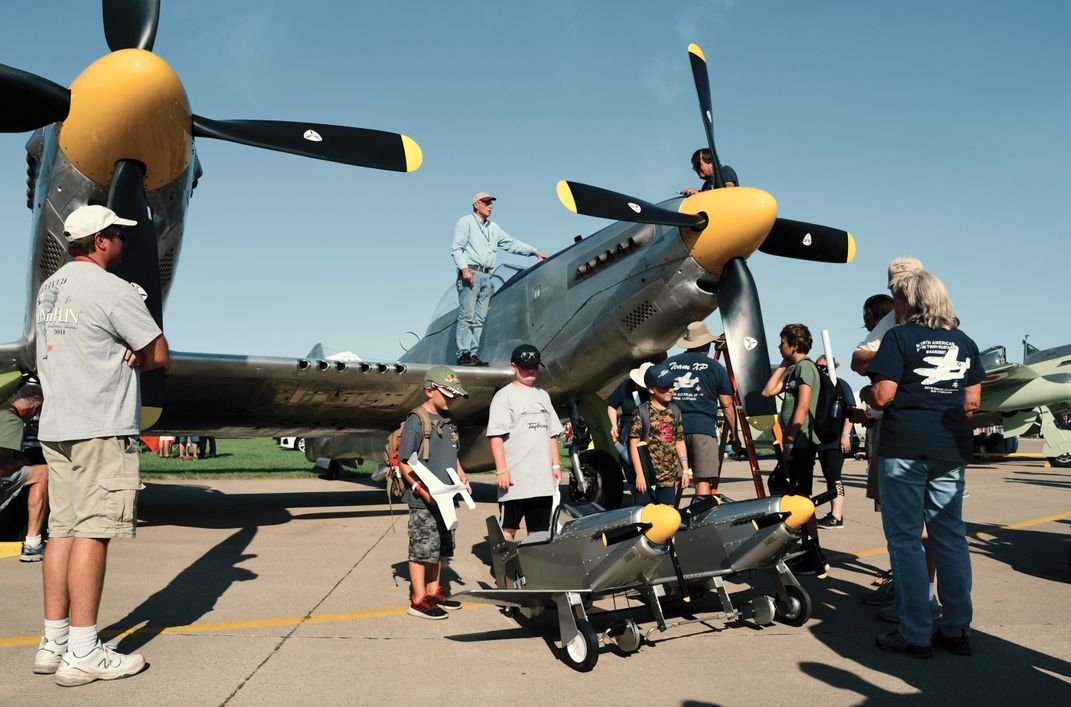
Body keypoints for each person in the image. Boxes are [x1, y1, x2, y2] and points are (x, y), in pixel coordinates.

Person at [33, 204, 169, 686]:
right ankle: (85, 650)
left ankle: (54, 640)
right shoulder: (111, 289)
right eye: (119, 235)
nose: (125, 243)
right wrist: (137, 351)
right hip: (101, 424)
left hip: (58, 425)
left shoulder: (50, 289)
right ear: (100, 241)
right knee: (94, 531)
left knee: (62, 531)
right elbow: (158, 353)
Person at [861, 270, 983, 658]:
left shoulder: (899, 337)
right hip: (949, 448)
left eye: (897, 299)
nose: (893, 305)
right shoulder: (965, 342)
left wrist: (866, 390)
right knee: (950, 537)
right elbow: (971, 403)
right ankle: (957, 628)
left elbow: (882, 396)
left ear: (911, 303)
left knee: (906, 540)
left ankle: (914, 633)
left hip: (906, 448)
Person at [398, 366, 470, 620]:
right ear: (429, 390)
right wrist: (421, 491)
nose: (452, 399)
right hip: (423, 501)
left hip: (446, 498)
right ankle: (418, 600)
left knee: (439, 548)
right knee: (421, 550)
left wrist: (462, 475)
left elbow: (453, 454)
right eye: (447, 393)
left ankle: (433, 591)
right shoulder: (416, 420)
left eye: (455, 395)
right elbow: (404, 462)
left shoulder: (449, 422)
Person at [761, 323, 828, 576]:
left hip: (800, 443)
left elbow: (802, 407)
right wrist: (782, 364)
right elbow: (768, 391)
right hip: (794, 443)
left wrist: (789, 441)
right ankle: (806, 548)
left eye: (783, 342)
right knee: (790, 492)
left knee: (800, 498)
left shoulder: (806, 368)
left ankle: (813, 553)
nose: (780, 346)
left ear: (795, 344)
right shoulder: (793, 370)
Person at [451, 192, 546, 366]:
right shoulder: (466, 222)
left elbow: (511, 243)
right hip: (471, 273)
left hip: (487, 276)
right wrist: (464, 269)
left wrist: (533, 251)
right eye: (486, 203)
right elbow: (456, 248)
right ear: (476, 205)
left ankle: (472, 354)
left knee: (480, 318)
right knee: (468, 316)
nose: (490, 206)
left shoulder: (493, 228)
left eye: (491, 203)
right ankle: (463, 353)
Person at [487, 344, 563, 540]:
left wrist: (555, 465)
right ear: (514, 366)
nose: (530, 370)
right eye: (524, 366)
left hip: (542, 481)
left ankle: (532, 569)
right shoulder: (503, 396)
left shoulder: (543, 396)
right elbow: (495, 436)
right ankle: (508, 570)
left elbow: (552, 433)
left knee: (539, 531)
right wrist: (501, 470)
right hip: (515, 480)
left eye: (534, 366)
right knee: (508, 529)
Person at [664, 321, 736, 496]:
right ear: (705, 344)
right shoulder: (715, 368)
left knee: (672, 479)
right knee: (702, 479)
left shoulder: (669, 364)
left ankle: (669, 519)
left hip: (671, 428)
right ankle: (699, 519)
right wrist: (735, 434)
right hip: (702, 429)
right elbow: (726, 405)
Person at [628, 363, 690, 505]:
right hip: (647, 477)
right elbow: (633, 444)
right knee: (645, 517)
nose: (670, 390)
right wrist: (640, 474)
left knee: (668, 516)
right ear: (651, 389)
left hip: (669, 478)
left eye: (672, 385)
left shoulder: (675, 410)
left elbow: (679, 441)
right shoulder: (641, 412)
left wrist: (685, 470)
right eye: (664, 386)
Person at [0, 380, 48, 562]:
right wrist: (23, 460)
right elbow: (2, 464)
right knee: (43, 472)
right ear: (35, 409)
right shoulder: (11, 420)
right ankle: (33, 543)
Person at [813, 356, 855, 529]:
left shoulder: (841, 385)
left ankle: (837, 516)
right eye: (818, 366)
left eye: (824, 366)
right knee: (829, 476)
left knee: (834, 476)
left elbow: (851, 411)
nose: (820, 369)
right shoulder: (818, 387)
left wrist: (845, 435)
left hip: (837, 440)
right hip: (823, 440)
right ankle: (833, 514)